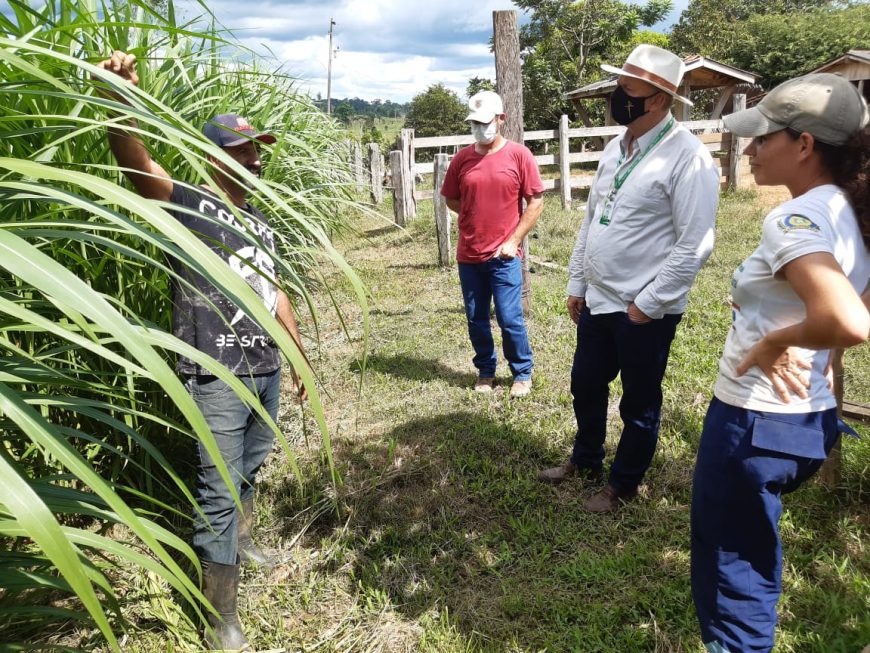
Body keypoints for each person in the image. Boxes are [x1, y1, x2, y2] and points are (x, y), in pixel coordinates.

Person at [96, 50, 308, 651]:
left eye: (258, 147)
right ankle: (222, 619)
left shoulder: (259, 219)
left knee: (249, 470)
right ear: (217, 157)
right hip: (215, 373)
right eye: (243, 150)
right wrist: (119, 101)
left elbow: (275, 293)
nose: (256, 156)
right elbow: (135, 161)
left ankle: (240, 545)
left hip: (264, 367)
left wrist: (298, 359)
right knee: (217, 489)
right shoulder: (189, 202)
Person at [691, 73, 870, 653]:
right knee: (753, 549)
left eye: (762, 137)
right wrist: (782, 319)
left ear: (804, 144)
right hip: (808, 421)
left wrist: (774, 342)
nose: (749, 149)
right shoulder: (853, 209)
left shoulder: (796, 219)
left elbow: (849, 321)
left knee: (732, 569)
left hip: (754, 423)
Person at [537, 44, 720, 512]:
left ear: (658, 98)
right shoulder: (615, 149)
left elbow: (696, 241)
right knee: (585, 384)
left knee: (638, 402)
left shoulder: (688, 158)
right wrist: (578, 282)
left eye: (627, 88)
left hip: (643, 309)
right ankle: (586, 459)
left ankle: (623, 485)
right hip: (599, 299)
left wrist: (650, 302)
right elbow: (593, 219)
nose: (617, 95)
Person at [441, 90, 545, 398]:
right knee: (476, 318)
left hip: (504, 255)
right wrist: (474, 216)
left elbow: (535, 201)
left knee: (509, 317)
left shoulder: (518, 156)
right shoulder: (462, 159)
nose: (479, 128)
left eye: (485, 122)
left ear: (501, 120)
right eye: (474, 123)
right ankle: (485, 371)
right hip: (470, 255)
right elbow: (451, 198)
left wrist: (513, 239)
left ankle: (522, 372)